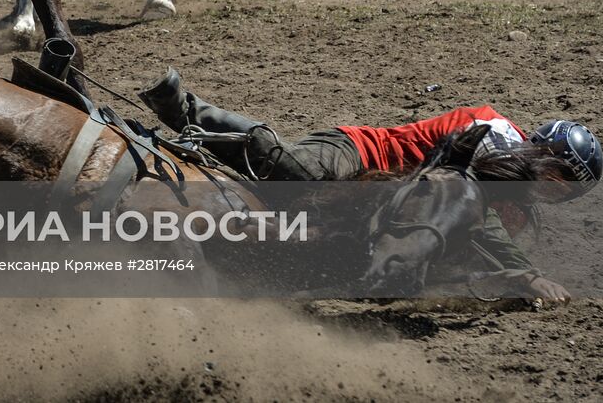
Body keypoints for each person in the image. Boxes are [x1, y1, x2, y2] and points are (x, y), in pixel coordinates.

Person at [140, 71, 602, 300]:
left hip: (372, 204)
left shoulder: (514, 210)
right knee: (297, 171)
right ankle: (184, 108)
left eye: (567, 191)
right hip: (360, 154)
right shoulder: (494, 133)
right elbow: (466, 203)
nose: (555, 191)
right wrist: (528, 272)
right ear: (544, 150)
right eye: (560, 178)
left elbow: (464, 243)